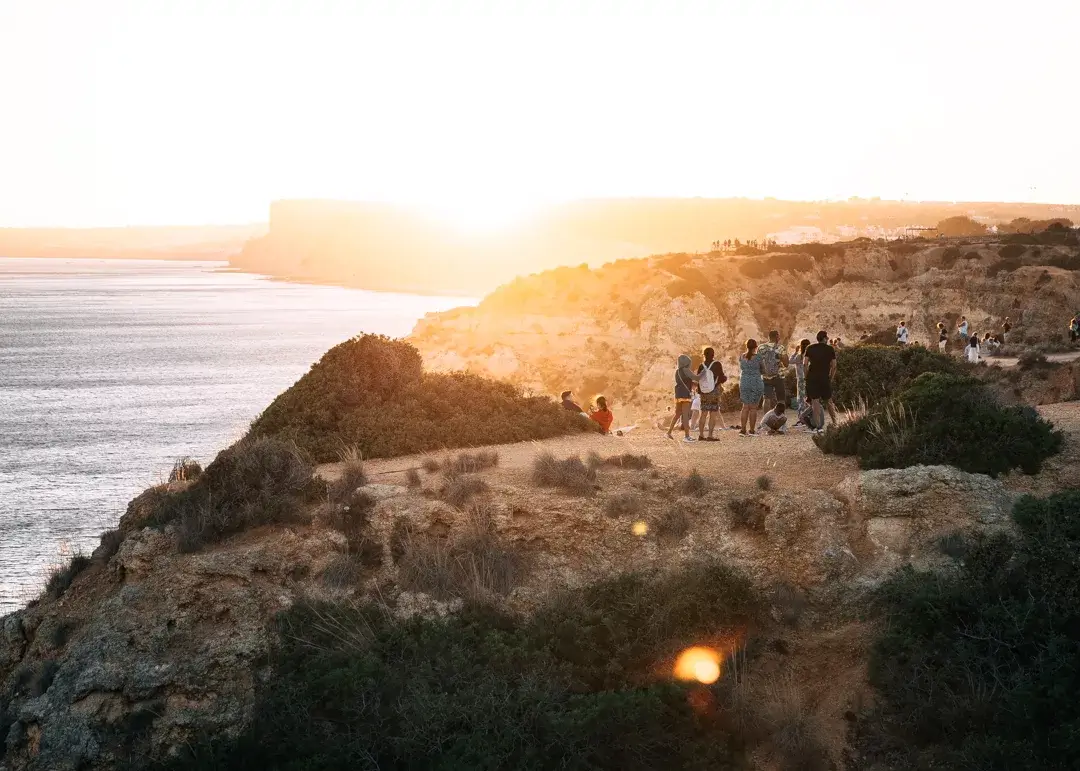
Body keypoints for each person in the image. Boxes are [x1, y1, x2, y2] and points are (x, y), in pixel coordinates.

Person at [805, 330, 837, 433]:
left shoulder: (810, 348)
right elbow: (834, 365)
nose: (828, 339)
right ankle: (835, 422)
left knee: (815, 402)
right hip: (824, 377)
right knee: (829, 401)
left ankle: (818, 427)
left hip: (812, 378)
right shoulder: (830, 349)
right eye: (827, 338)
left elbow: (805, 364)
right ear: (824, 338)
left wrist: (807, 376)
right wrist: (830, 378)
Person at [696, 346, 728, 440]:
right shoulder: (717, 364)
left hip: (704, 392)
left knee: (703, 413)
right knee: (713, 413)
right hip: (714, 391)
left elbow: (699, 379)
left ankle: (701, 435)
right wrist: (722, 380)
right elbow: (722, 378)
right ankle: (710, 435)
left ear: (704, 355)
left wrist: (700, 391)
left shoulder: (701, 365)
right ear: (713, 354)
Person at [666, 354, 698, 442]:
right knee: (685, 415)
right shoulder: (686, 370)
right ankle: (687, 436)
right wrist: (704, 373)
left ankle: (668, 433)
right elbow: (696, 378)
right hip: (685, 395)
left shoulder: (678, 371)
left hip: (678, 394)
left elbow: (685, 381)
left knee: (677, 414)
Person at [738, 339, 765, 436]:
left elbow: (742, 368)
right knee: (753, 408)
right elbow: (763, 370)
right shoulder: (758, 357)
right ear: (756, 347)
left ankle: (743, 429)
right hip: (756, 382)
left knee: (745, 407)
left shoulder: (742, 356)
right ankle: (752, 430)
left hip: (744, 382)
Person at [759, 331, 789, 411]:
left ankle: (765, 421)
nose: (779, 338)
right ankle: (781, 420)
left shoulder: (761, 347)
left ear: (769, 337)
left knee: (766, 399)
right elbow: (786, 364)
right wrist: (780, 357)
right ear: (776, 337)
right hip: (778, 376)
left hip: (765, 377)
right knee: (781, 399)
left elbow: (758, 362)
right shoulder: (780, 348)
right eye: (778, 336)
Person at [791, 338, 811, 410]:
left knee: (801, 397)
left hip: (800, 379)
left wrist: (795, 352)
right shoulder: (810, 356)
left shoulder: (798, 356)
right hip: (809, 378)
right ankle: (808, 413)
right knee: (809, 397)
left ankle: (802, 414)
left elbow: (790, 361)